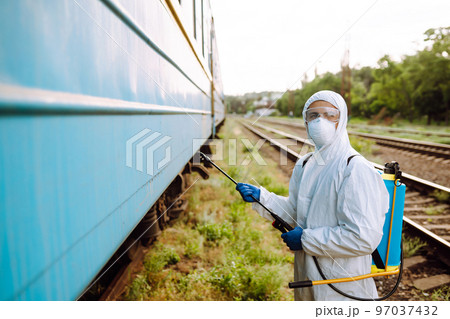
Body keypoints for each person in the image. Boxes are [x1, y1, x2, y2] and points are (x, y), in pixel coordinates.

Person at [236, 90, 389, 301]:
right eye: (313, 115)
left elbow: (363, 238)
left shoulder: (354, 168)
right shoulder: (306, 163)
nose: (320, 121)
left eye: (329, 114)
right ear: (305, 121)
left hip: (344, 287)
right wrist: (262, 198)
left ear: (341, 119)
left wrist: (306, 239)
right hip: (308, 277)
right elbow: (296, 213)